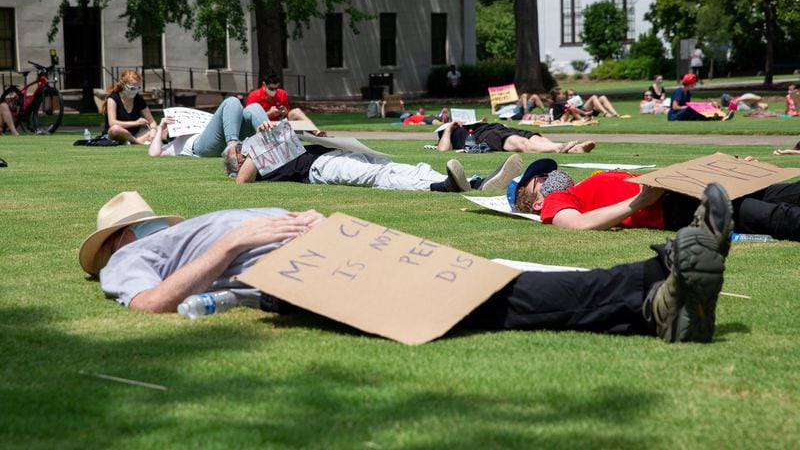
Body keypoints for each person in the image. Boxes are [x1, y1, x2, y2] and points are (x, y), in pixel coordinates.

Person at [80, 188, 734, 343]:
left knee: (492, 289)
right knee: (489, 296)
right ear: (114, 246)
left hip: (329, 251)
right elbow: (146, 308)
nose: (141, 229)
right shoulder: (126, 265)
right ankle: (653, 285)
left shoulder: (173, 233)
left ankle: (658, 308)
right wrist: (232, 244)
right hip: (301, 281)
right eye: (128, 230)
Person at [509, 157, 800, 241]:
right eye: (540, 179)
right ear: (535, 202)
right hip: (672, 206)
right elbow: (577, 225)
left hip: (683, 188)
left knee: (788, 192)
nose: (550, 175)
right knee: (775, 216)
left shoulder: (583, 185)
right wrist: (640, 202)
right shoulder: (555, 201)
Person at [235, 121, 523, 192]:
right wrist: (253, 145)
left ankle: (474, 182)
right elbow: (241, 181)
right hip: (320, 168)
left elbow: (300, 118)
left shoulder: (278, 145)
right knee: (379, 177)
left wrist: (313, 133)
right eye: (238, 152)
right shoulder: (254, 161)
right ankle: (441, 186)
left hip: (335, 152)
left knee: (397, 166)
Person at [148, 96, 272, 173]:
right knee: (232, 101)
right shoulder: (173, 145)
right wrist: (160, 127)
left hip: (225, 133)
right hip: (202, 147)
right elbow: (154, 153)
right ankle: (233, 149)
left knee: (253, 108)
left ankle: (274, 146)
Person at [436, 120, 596, 154]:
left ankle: (574, 148)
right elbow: (442, 149)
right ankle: (558, 148)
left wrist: (481, 122)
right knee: (522, 144)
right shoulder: (448, 132)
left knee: (538, 139)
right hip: (487, 135)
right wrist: (450, 127)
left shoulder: (468, 124)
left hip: (496, 127)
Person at [244, 73, 323, 135]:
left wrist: (285, 112)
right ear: (264, 85)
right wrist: (268, 114)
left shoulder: (281, 93)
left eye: (276, 88)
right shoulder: (254, 95)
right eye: (271, 88)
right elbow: (248, 119)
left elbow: (287, 113)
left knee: (296, 111)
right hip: (263, 127)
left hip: (280, 124)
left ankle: (317, 132)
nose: (274, 91)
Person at [102, 69, 158, 144]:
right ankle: (138, 142)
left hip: (135, 135)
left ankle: (131, 141)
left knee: (163, 127)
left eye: (138, 88)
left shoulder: (138, 99)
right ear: (123, 85)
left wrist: (153, 130)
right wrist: (136, 123)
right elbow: (112, 123)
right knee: (115, 129)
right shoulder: (113, 98)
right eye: (132, 88)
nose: (135, 91)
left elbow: (152, 122)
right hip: (117, 134)